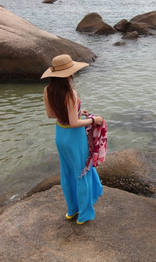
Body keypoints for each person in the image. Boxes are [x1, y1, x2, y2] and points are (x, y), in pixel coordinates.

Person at [41, 54, 104, 225]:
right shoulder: (70, 93)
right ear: (69, 74)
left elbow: (51, 114)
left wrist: (77, 112)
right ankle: (83, 215)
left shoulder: (48, 90)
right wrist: (93, 120)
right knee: (81, 173)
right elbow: (75, 123)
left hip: (60, 135)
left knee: (67, 172)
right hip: (74, 137)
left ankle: (71, 210)